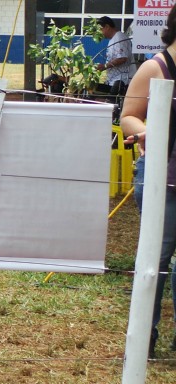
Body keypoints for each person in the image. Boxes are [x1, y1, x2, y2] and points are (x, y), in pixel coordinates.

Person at [120, 4, 176, 356]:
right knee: (155, 262)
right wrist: (146, 133)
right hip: (163, 182)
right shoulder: (154, 68)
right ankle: (143, 339)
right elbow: (128, 117)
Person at [96, 16, 134, 94]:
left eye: (100, 29)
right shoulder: (113, 39)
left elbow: (122, 58)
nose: (99, 32)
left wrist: (105, 66)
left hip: (121, 80)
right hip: (113, 79)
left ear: (107, 27)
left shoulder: (119, 37)